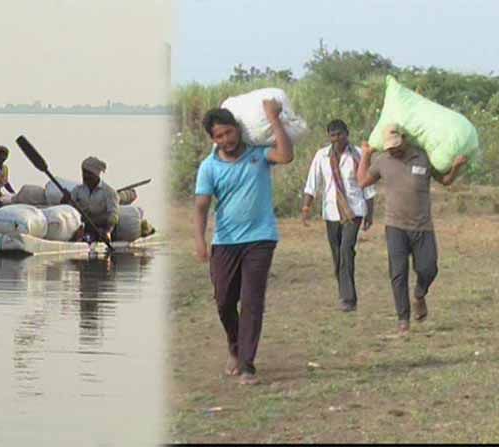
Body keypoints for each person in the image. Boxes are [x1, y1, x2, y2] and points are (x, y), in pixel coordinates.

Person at [193, 100, 294, 385]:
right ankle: (234, 346)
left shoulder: (259, 155)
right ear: (213, 140)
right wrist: (199, 240)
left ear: (237, 129)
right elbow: (201, 206)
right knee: (224, 300)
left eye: (229, 132)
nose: (226, 140)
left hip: (260, 238)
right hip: (225, 241)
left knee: (251, 301)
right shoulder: (209, 167)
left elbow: (286, 156)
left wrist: (274, 119)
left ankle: (248, 364)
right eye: (219, 136)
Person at [356, 124, 467, 336]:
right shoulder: (382, 162)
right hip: (395, 226)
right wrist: (365, 155)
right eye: (389, 148)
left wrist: (456, 167)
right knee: (398, 273)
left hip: (422, 226)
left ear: (404, 139)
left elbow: (445, 180)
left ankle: (419, 293)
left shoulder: (423, 157)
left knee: (429, 268)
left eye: (396, 146)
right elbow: (361, 181)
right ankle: (403, 320)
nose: (394, 151)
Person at [301, 119, 376, 313]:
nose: (336, 139)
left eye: (339, 135)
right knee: (338, 254)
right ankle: (345, 291)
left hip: (354, 210)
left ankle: (348, 299)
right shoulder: (322, 156)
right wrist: (306, 207)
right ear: (329, 137)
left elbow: (367, 185)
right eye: (332, 135)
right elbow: (312, 183)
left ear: (347, 134)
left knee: (345, 249)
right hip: (331, 211)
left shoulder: (358, 154)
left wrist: (370, 212)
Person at [63, 156, 119, 243]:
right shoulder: (78, 190)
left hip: (101, 227)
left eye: (88, 173)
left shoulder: (109, 192)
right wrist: (65, 200)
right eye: (83, 173)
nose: (85, 176)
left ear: (96, 173)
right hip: (83, 225)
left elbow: (113, 216)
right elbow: (68, 209)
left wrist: (107, 232)